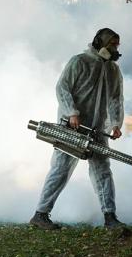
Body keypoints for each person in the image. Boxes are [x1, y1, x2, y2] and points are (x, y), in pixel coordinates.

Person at [30, 28, 125, 230]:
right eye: (112, 45)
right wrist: (72, 112)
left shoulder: (113, 70)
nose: (115, 49)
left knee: (103, 171)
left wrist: (115, 124)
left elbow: (115, 99)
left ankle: (110, 216)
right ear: (99, 43)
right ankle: (40, 214)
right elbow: (62, 87)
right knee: (61, 170)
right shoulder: (79, 62)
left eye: (117, 45)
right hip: (71, 127)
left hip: (97, 129)